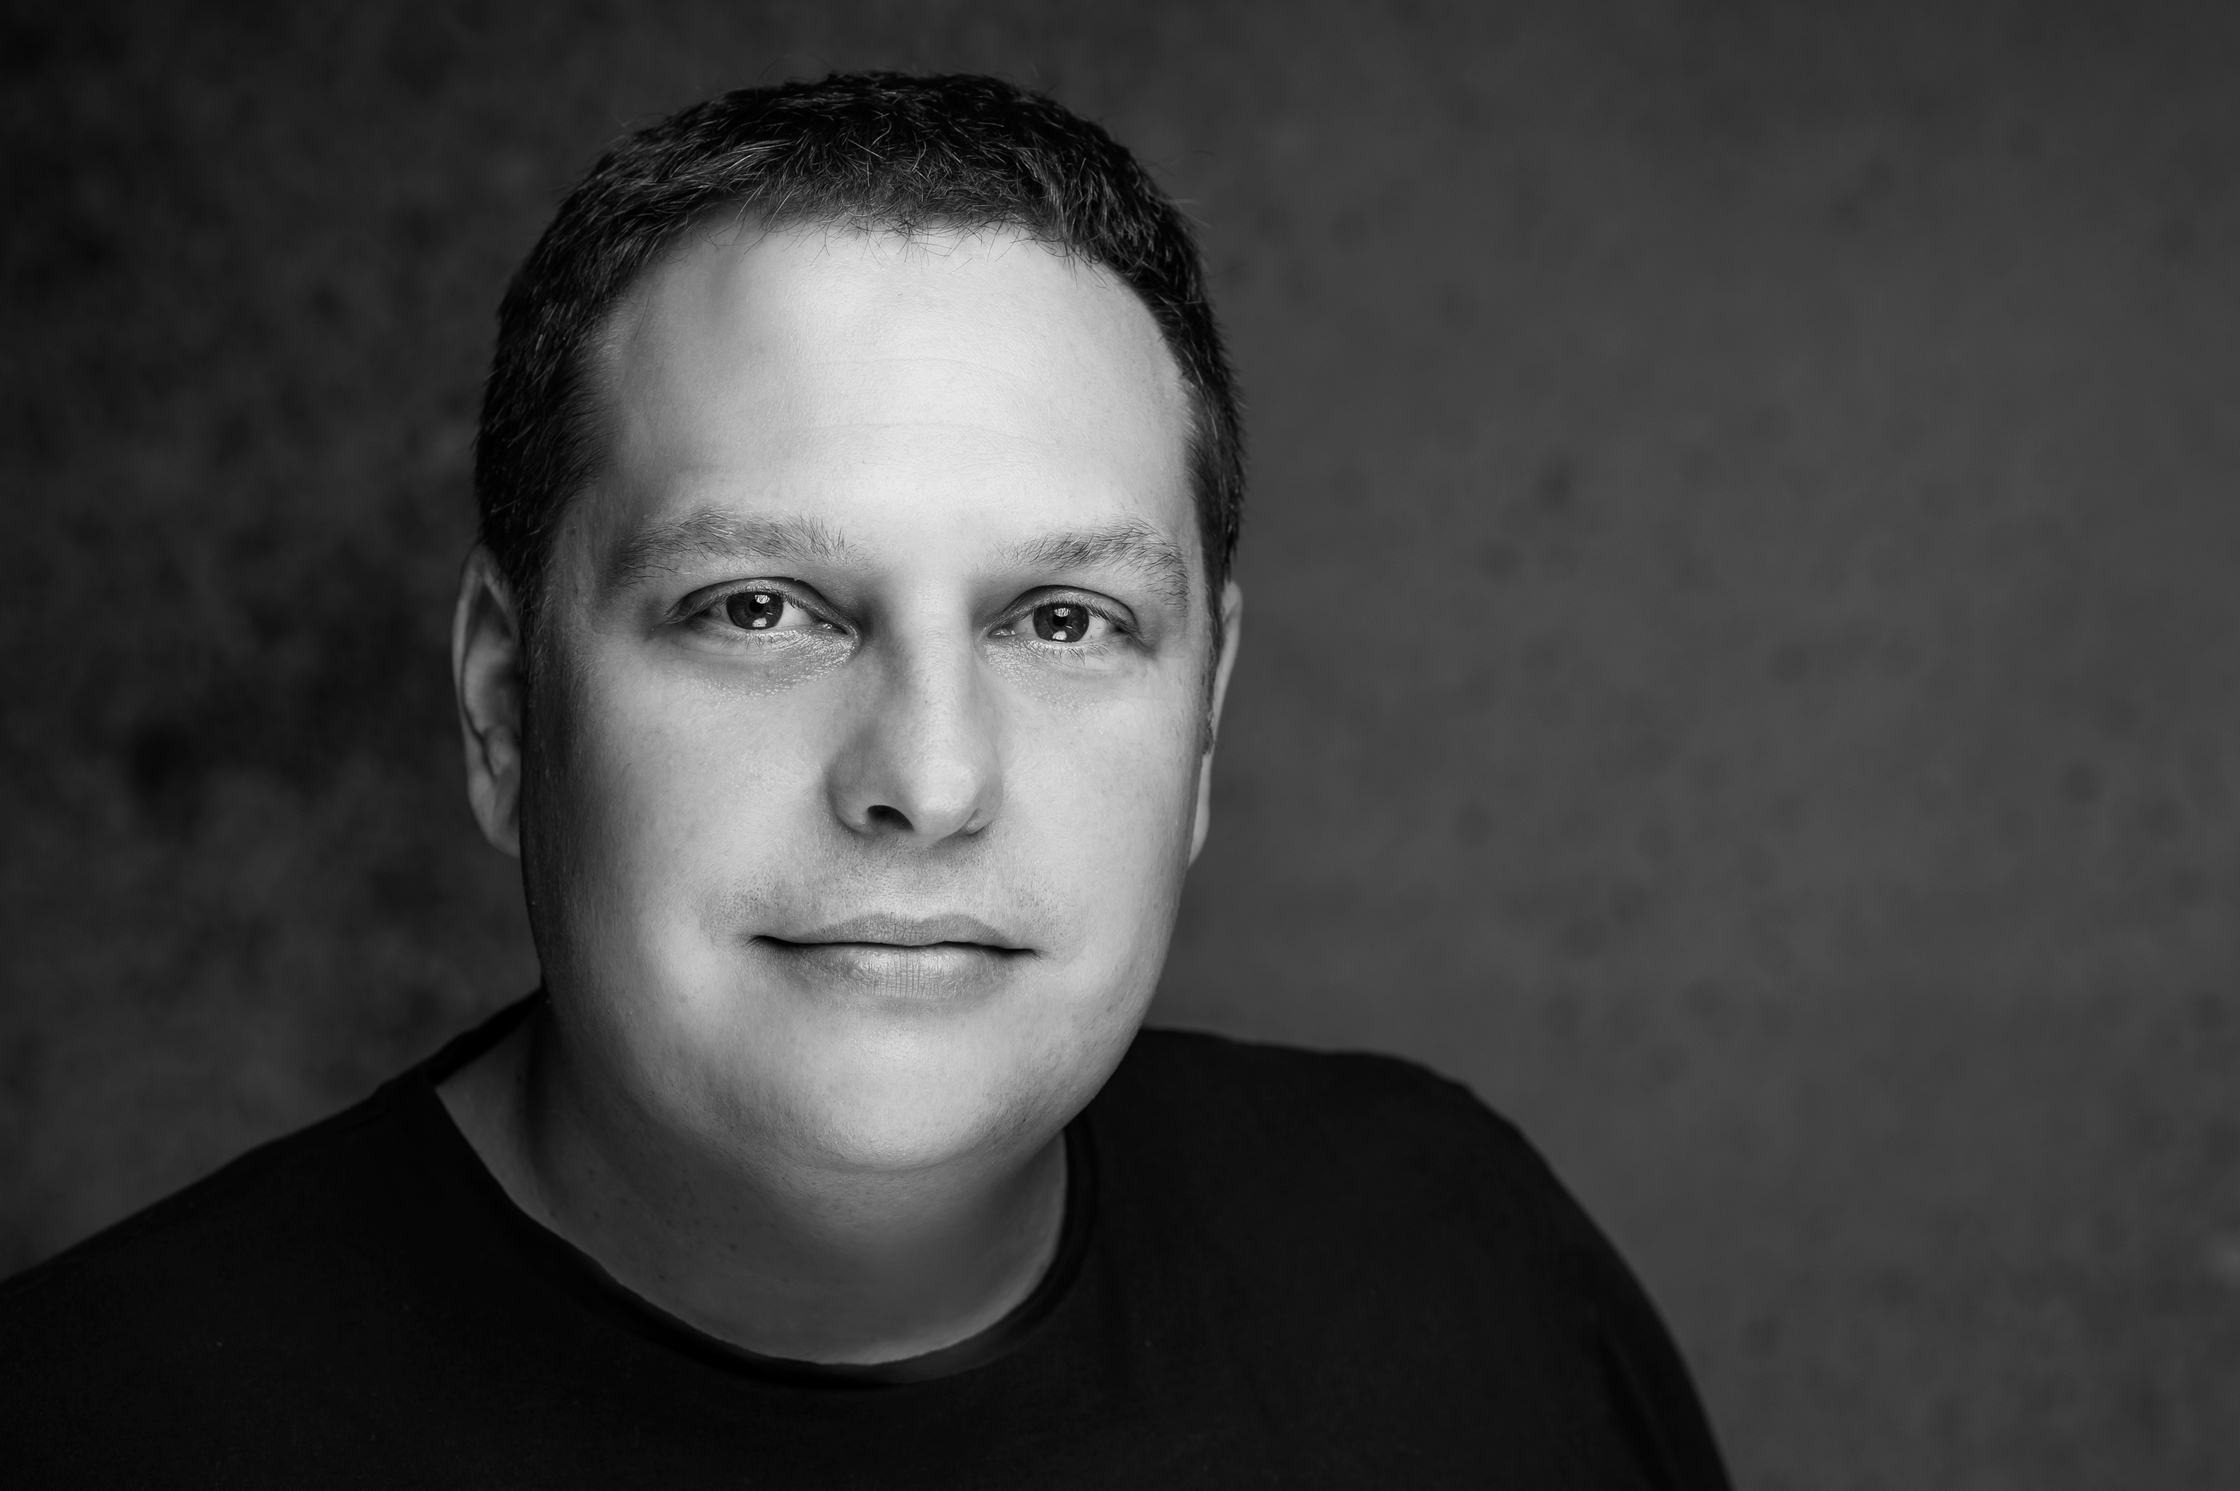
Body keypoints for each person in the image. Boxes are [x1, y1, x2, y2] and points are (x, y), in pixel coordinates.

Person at [0, 73, 1729, 1487]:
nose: (929, 777)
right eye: (760, 608)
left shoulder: (1457, 1260)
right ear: (506, 707)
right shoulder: (92, 1431)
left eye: (1065, 620)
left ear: (1203, 727)